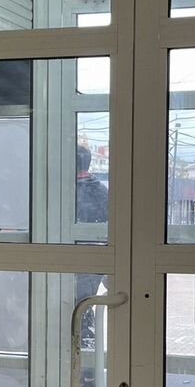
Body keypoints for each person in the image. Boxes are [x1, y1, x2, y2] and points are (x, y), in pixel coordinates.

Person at [74, 144, 109, 346]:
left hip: (77, 263)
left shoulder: (67, 192)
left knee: (75, 310)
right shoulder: (102, 191)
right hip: (95, 263)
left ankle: (84, 356)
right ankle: (87, 356)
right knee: (83, 308)